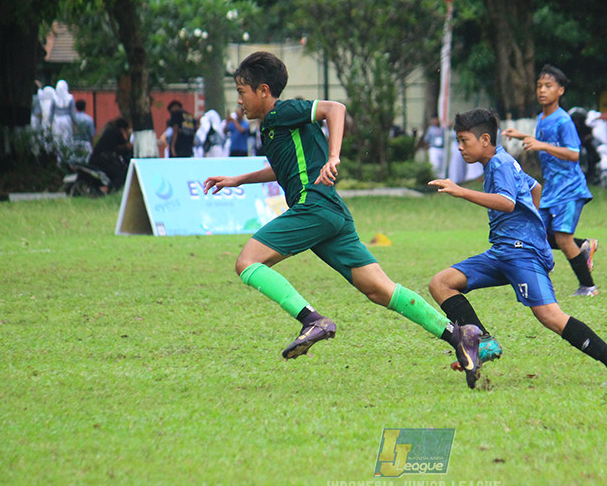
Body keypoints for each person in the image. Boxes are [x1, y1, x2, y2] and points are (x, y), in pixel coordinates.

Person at [202, 52, 483, 388]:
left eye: (241, 91)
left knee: (247, 262)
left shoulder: (283, 111)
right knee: (380, 290)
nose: (239, 100)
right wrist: (238, 180)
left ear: (263, 90)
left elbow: (335, 109)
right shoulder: (272, 129)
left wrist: (334, 156)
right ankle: (458, 336)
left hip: (314, 205)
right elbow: (284, 169)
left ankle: (312, 320)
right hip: (330, 212)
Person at [429, 108, 607, 387]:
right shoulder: (502, 162)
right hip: (503, 251)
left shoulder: (501, 164)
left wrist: (461, 191)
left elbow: (507, 202)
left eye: (464, 140)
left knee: (550, 316)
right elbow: (535, 188)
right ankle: (483, 342)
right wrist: (533, 229)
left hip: (521, 254)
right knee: (441, 283)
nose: (460, 146)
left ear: (485, 140)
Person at [502, 64, 600, 301]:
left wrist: (540, 145)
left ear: (561, 91)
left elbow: (573, 153)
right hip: (552, 189)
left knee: (563, 238)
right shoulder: (542, 118)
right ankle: (584, 245)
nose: (542, 90)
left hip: (570, 188)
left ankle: (589, 287)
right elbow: (545, 141)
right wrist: (523, 136)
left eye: (548, 86)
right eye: (539, 86)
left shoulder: (563, 120)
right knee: (538, 232)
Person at [91, 117, 133, 191]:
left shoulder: (109, 132)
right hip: (103, 159)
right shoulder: (117, 133)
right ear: (123, 129)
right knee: (120, 175)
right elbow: (125, 147)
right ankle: (108, 189)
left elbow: (117, 148)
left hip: (96, 159)